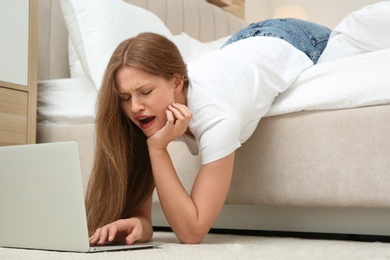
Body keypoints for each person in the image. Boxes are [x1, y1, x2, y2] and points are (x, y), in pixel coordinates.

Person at [87, 18, 331, 245]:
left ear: (176, 83)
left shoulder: (217, 117)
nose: (135, 107)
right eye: (125, 97)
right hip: (240, 43)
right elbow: (143, 219)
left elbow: (192, 232)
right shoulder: (139, 115)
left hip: (296, 39)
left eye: (145, 92)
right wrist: (137, 223)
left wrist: (157, 148)